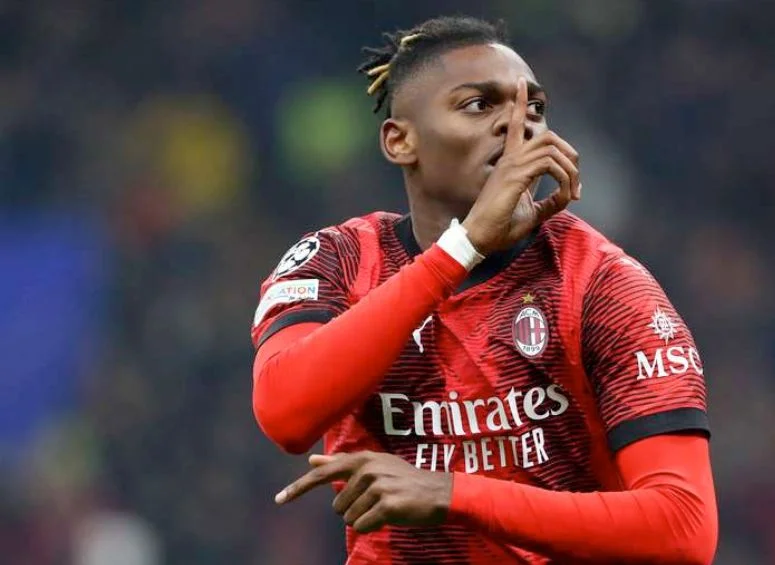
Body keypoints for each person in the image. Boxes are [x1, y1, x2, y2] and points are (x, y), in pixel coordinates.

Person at [251, 15, 717, 564]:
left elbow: (684, 528)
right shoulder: (341, 259)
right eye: (479, 105)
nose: (517, 125)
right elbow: (285, 414)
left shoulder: (599, 282)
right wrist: (461, 249)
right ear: (400, 141)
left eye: (534, 109)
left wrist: (452, 494)